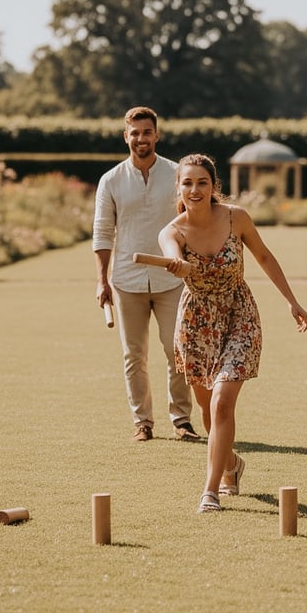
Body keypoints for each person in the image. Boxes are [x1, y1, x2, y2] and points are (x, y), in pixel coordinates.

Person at [158, 154, 307, 513]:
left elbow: (265, 257)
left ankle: (210, 490)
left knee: (223, 400)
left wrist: (291, 301)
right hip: (196, 324)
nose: (195, 189)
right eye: (188, 183)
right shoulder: (172, 231)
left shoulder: (236, 217)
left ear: (214, 186)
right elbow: (170, 253)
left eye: (202, 183)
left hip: (239, 315)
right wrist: (177, 264)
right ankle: (230, 464)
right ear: (178, 187)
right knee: (207, 408)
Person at [93, 106, 199, 442]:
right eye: (134, 133)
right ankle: (143, 422)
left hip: (172, 280)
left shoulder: (177, 174)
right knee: (133, 355)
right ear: (126, 136)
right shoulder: (110, 180)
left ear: (157, 134)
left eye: (147, 132)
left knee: (176, 350)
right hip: (126, 280)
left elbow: (193, 219)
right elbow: (102, 231)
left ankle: (181, 421)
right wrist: (102, 279)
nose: (141, 138)